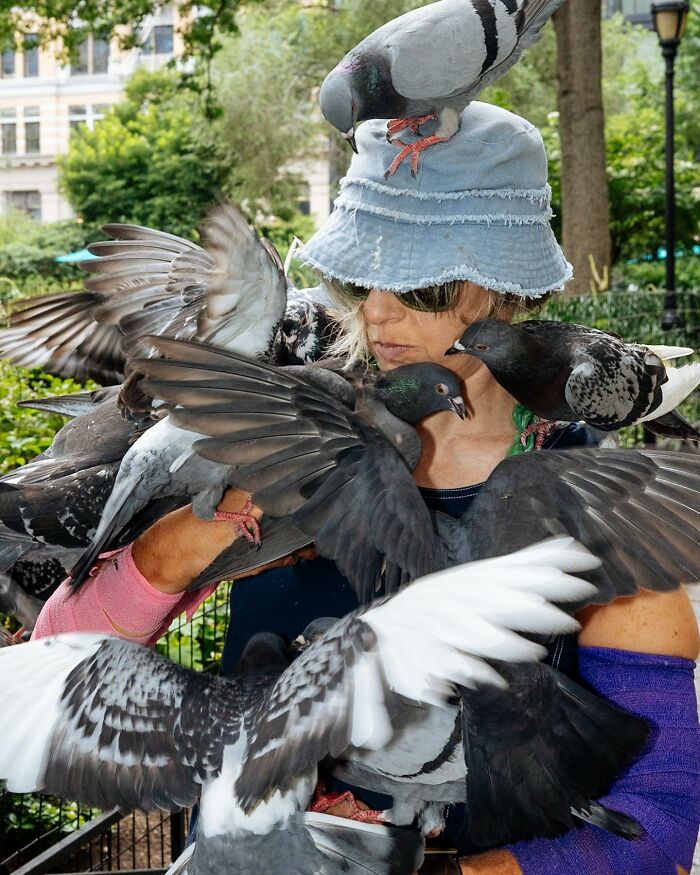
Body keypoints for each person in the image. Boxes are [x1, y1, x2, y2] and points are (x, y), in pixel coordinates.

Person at [33, 102, 700, 875]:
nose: (378, 312)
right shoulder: (283, 430)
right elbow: (55, 664)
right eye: (362, 278)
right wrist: (201, 531)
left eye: (418, 286)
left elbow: (660, 819)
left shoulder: (601, 498)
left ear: (501, 289)